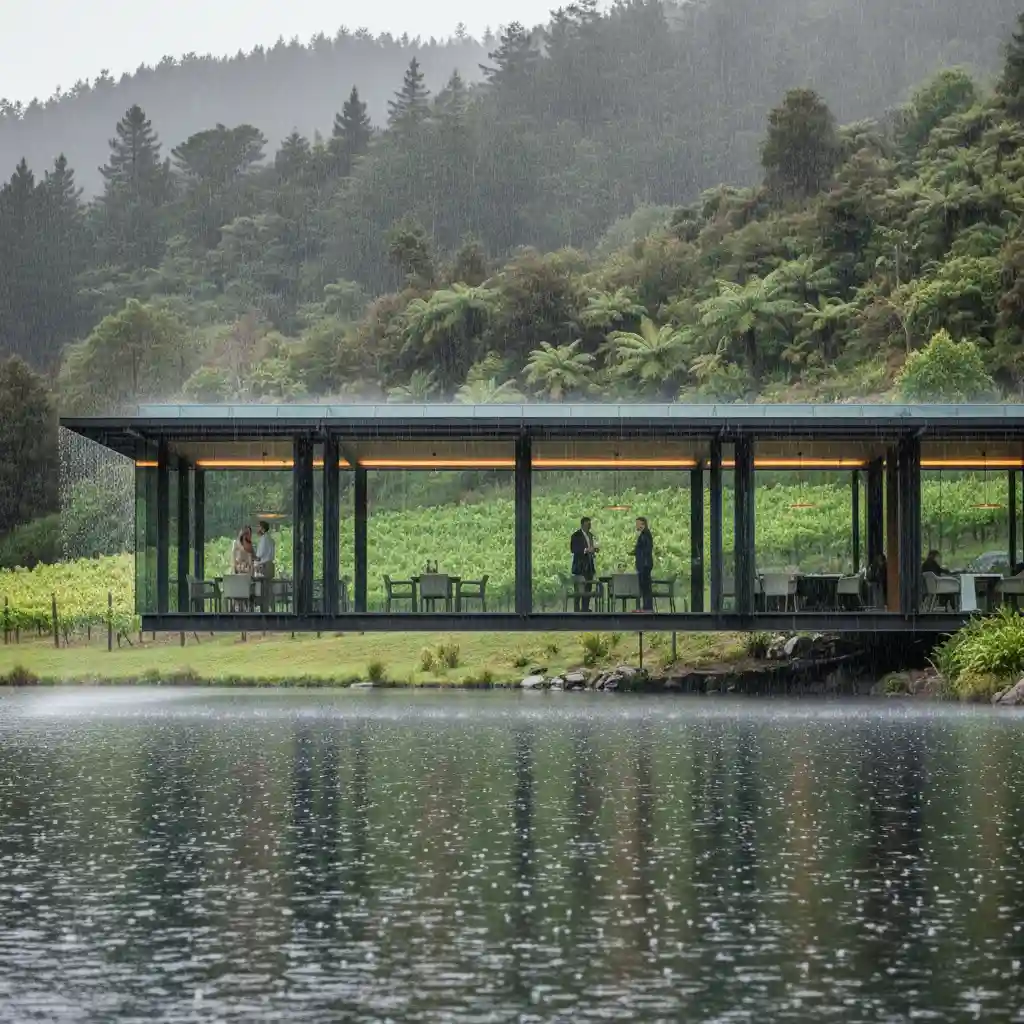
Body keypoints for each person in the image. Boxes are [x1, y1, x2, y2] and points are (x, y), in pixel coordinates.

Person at [570, 516, 598, 611]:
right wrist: (586, 550)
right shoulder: (576, 535)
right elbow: (573, 549)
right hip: (580, 567)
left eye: (590, 525)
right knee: (579, 591)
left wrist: (594, 550)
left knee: (588, 589)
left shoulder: (590, 535)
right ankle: (577, 610)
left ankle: (585, 609)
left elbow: (592, 546)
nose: (589, 527)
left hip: (589, 566)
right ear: (582, 525)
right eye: (587, 525)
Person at [254, 520, 276, 612]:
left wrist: (253, 559)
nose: (257, 529)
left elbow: (260, 554)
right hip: (270, 565)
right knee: (268, 589)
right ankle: (270, 608)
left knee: (263, 589)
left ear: (262, 529)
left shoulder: (264, 539)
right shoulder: (270, 539)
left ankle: (264, 610)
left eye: (258, 527)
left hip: (264, 566)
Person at [634, 516, 654, 612]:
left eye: (637, 524)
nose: (636, 526)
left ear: (643, 524)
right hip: (644, 563)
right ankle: (646, 606)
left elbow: (646, 549)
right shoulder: (644, 534)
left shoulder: (645, 534)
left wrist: (637, 551)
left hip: (644, 564)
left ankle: (647, 607)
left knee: (646, 586)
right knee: (644, 586)